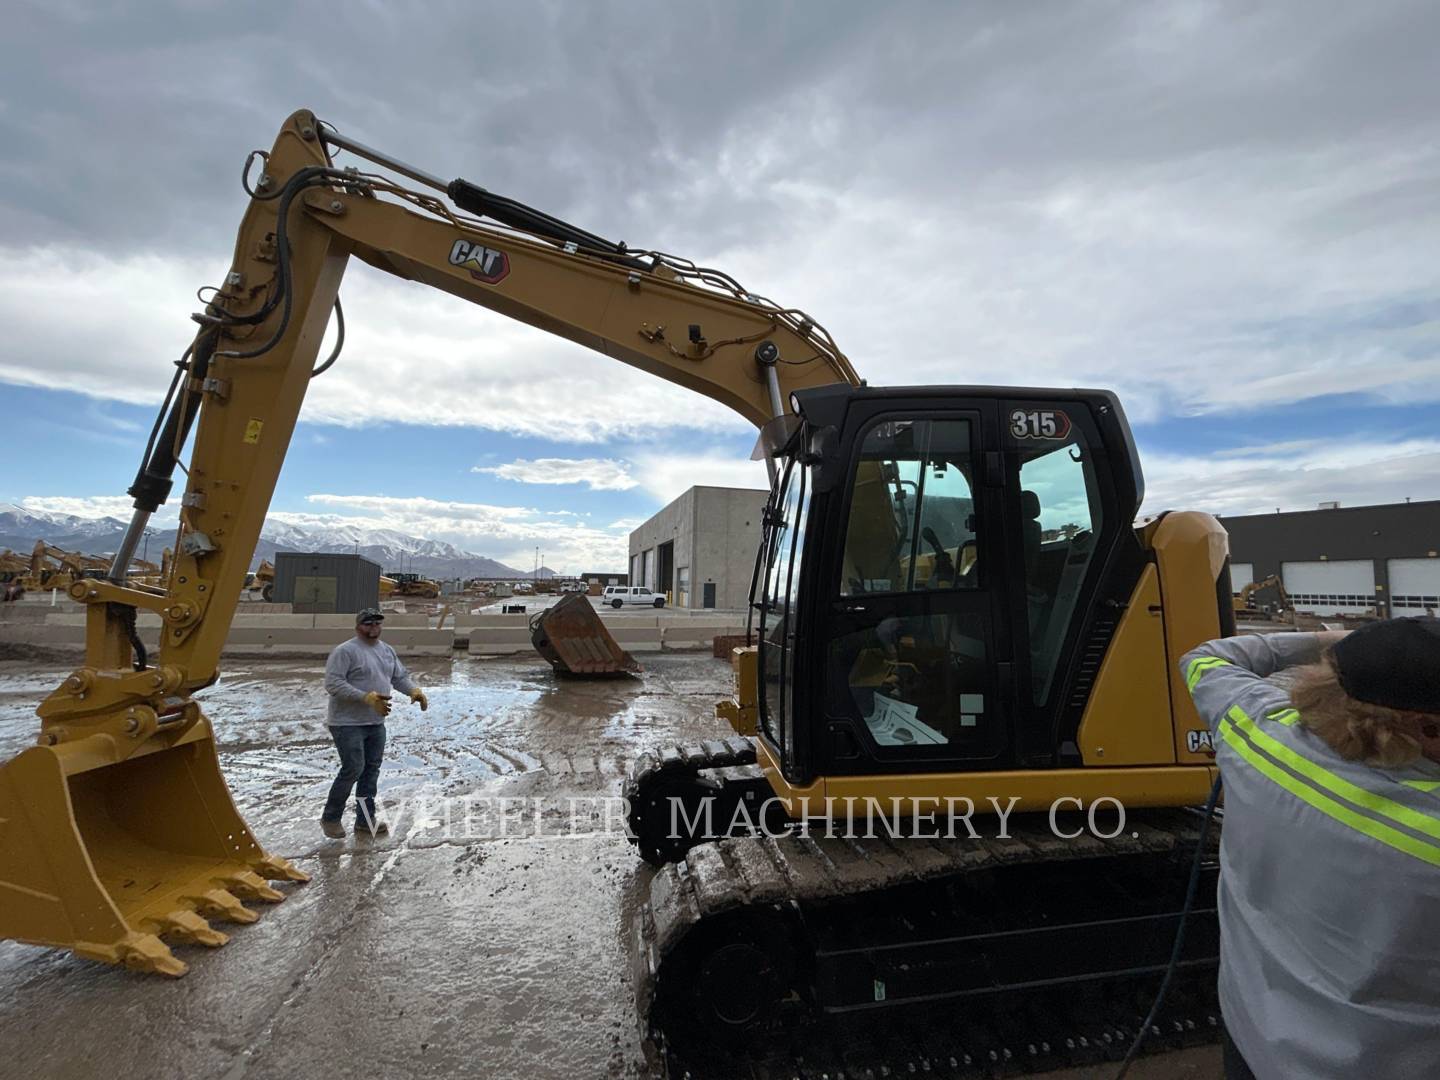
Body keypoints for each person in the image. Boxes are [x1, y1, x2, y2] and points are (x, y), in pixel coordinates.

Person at [1181, 618, 1440, 1080]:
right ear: (1428, 730)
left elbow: (1204, 659)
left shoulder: (1256, 732)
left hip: (1252, 1042)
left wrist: (1333, 642)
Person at [321, 607, 428, 838]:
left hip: (375, 723)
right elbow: (333, 684)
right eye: (368, 624)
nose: (374, 628)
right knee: (353, 769)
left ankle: (365, 822)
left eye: (377, 624)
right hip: (347, 723)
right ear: (358, 626)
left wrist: (414, 691)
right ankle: (331, 818)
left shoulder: (386, 650)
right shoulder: (345, 652)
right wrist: (366, 697)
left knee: (371, 772)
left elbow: (398, 677)